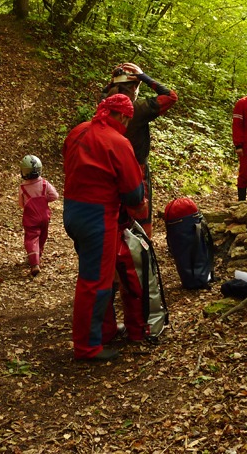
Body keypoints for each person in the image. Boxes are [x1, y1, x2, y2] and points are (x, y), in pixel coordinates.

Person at [63, 94, 148, 362]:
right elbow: (134, 194)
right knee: (95, 282)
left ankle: (106, 330)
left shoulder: (77, 131)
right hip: (97, 216)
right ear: (123, 116)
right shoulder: (117, 141)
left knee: (100, 275)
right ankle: (87, 347)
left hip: (72, 212)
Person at [103, 62, 177, 236]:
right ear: (134, 87)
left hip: (110, 169)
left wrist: (113, 81)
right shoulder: (138, 109)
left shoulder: (105, 106)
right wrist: (144, 77)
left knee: (115, 213)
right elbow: (171, 96)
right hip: (137, 169)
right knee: (140, 215)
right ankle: (141, 249)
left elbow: (105, 92)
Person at [18, 154, 59, 277]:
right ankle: (38, 254)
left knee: (31, 238)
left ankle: (34, 263)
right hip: (44, 216)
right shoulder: (45, 184)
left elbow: (21, 204)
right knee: (42, 236)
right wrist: (44, 199)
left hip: (31, 218)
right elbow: (55, 196)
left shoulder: (23, 187)